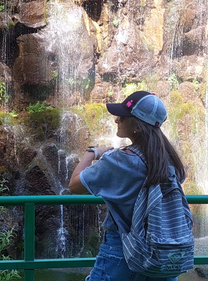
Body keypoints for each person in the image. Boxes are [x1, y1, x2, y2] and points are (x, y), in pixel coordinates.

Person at [68, 91, 187, 281]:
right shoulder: (170, 163)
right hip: (161, 251)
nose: (117, 120)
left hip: (122, 251)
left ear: (137, 126)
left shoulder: (119, 161)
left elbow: (74, 185)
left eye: (122, 117)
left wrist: (92, 153)